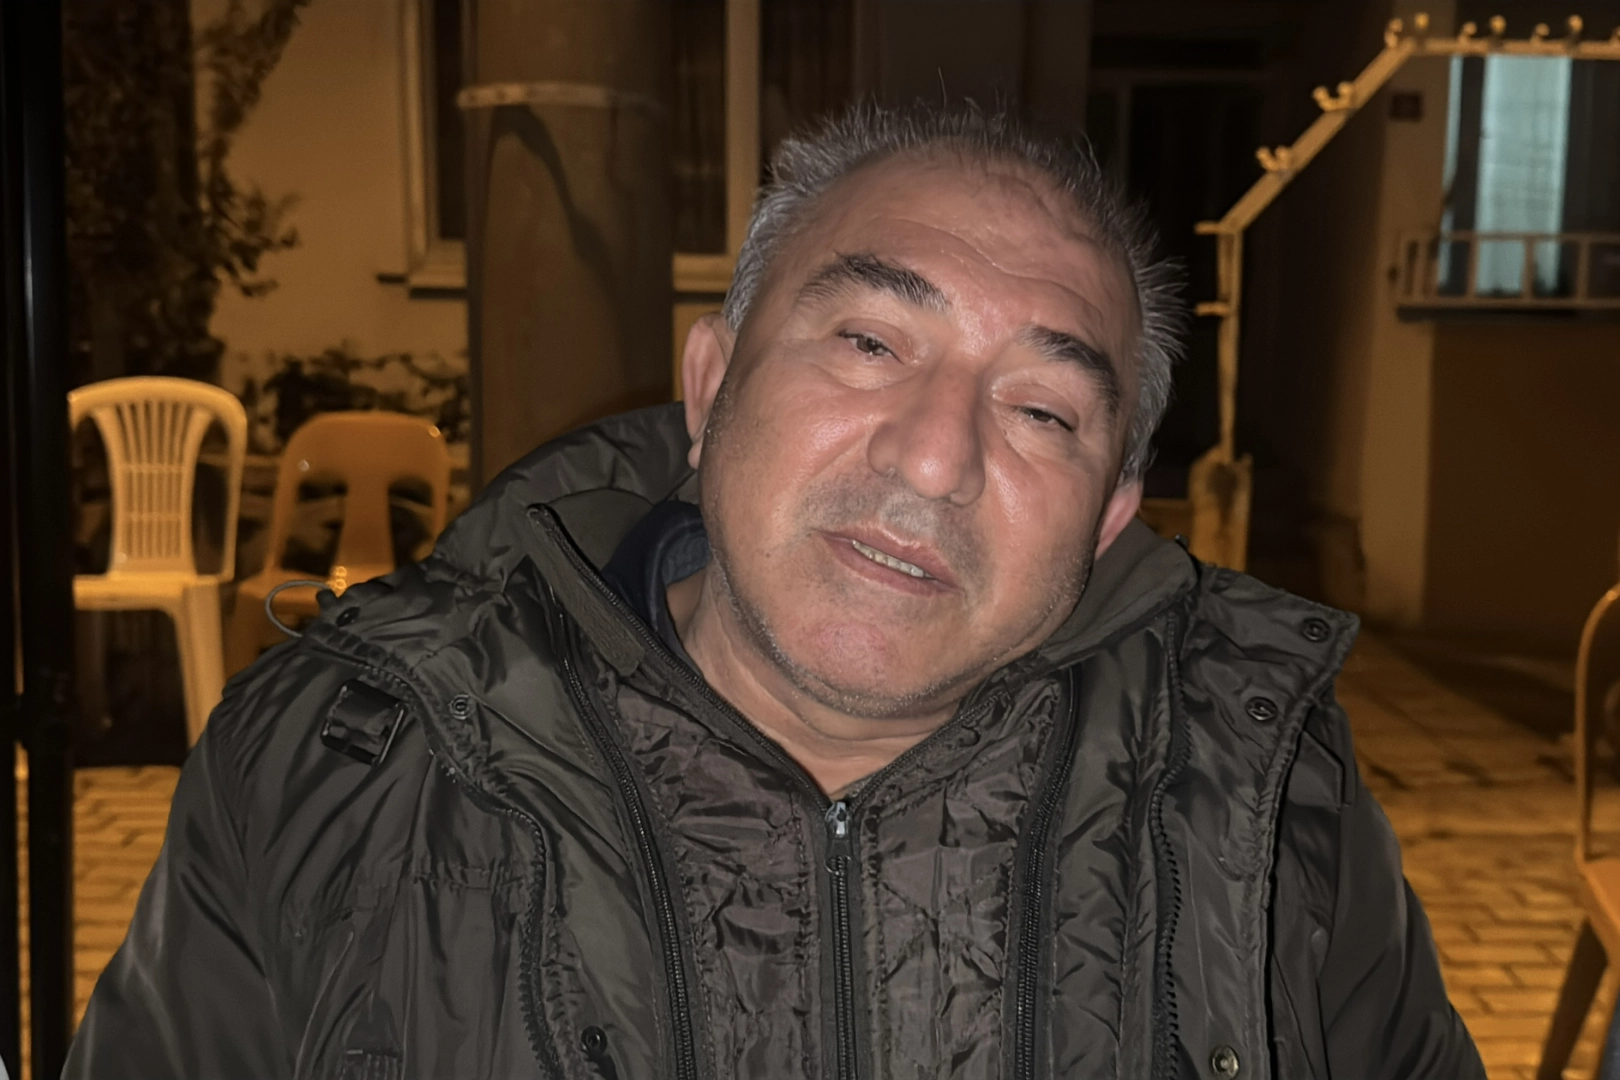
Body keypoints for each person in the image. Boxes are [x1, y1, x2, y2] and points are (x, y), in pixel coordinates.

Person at [66, 102, 1483, 1079]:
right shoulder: (337, 760)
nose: (935, 458)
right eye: (868, 341)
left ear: (1110, 520)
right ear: (710, 386)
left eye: (1045, 411)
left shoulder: (1266, 796)